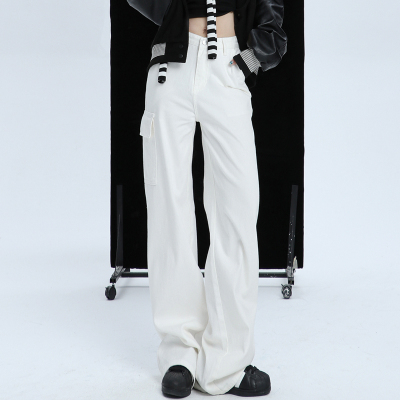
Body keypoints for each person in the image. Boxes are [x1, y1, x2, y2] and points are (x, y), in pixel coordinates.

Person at [127, 0, 287, 397]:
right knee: (168, 211)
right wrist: (175, 12)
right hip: (171, 68)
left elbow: (273, 18)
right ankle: (179, 352)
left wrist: (249, 60)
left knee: (237, 212)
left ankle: (227, 361)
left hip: (228, 66)